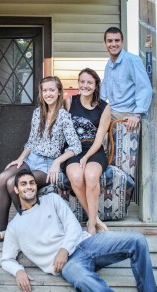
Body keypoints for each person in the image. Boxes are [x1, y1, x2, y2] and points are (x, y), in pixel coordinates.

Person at [1, 169, 157, 292]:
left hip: (86, 244)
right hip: (68, 265)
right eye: (23, 184)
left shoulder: (52, 200)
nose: (29, 187)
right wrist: (18, 271)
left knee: (137, 240)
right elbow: (6, 259)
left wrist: (64, 249)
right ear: (16, 189)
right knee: (83, 280)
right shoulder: (14, 227)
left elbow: (73, 226)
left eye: (32, 183)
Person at [0, 76, 82, 244]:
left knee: (11, 183)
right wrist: (20, 159)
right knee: (2, 178)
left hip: (47, 164)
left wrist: (57, 162)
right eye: (45, 90)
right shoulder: (38, 113)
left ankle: (28, 225)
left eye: (52, 90)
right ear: (40, 93)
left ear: (59, 92)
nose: (48, 93)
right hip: (31, 158)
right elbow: (31, 141)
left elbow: (75, 146)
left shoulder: (64, 116)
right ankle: (2, 230)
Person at [64, 68, 111, 235]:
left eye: (89, 82)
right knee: (76, 176)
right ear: (78, 83)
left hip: (94, 150)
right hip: (72, 150)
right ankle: (95, 219)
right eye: (82, 81)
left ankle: (90, 226)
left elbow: (99, 140)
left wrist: (87, 157)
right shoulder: (70, 102)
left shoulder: (104, 108)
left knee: (91, 176)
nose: (85, 85)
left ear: (96, 85)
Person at [100, 27, 152, 132]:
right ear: (105, 43)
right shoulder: (109, 64)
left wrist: (136, 115)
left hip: (126, 113)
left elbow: (144, 88)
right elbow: (103, 91)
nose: (113, 44)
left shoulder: (132, 60)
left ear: (122, 42)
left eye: (117, 40)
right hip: (111, 112)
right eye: (110, 41)